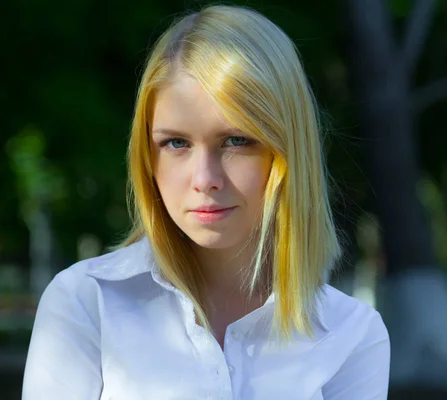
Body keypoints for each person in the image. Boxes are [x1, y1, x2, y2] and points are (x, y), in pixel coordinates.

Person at [22, 5, 390, 399]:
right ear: (148, 156)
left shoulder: (351, 334)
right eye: (176, 143)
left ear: (288, 149)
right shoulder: (85, 303)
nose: (205, 180)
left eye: (236, 141)